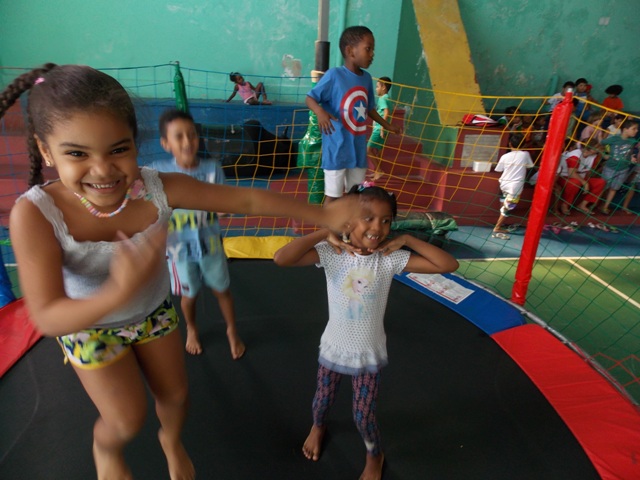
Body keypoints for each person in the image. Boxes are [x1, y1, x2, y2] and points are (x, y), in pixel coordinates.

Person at [3, 63, 363, 480]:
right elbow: (48, 317)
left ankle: (171, 441)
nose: (102, 170)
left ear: (135, 143)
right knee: (126, 419)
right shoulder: (36, 214)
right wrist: (117, 291)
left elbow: (245, 201)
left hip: (152, 313)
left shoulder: (156, 188)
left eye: (118, 149)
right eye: (77, 154)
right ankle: (106, 449)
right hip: (88, 326)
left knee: (175, 396)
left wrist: (323, 214)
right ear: (46, 150)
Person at [273, 183, 459, 480]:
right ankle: (318, 427)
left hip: (368, 352)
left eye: (386, 221)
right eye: (368, 218)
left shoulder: (388, 259)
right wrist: (325, 232)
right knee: (321, 401)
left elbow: (448, 264)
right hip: (333, 346)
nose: (377, 227)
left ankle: (375, 454)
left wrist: (407, 238)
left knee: (363, 416)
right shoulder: (333, 254)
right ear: (348, 222)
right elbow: (281, 258)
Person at [151, 109, 244, 358]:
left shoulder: (212, 169)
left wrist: (226, 210)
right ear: (166, 143)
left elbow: (224, 204)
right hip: (179, 251)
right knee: (189, 295)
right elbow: (149, 207)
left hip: (211, 246)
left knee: (222, 290)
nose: (187, 142)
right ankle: (191, 328)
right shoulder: (159, 173)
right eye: (178, 136)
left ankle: (232, 330)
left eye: (192, 135)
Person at [306, 26, 402, 204]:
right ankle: (329, 223)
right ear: (350, 51)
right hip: (337, 149)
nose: (372, 54)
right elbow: (310, 98)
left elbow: (369, 108)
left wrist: (387, 125)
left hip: (357, 150)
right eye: (368, 49)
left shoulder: (366, 79)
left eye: (373, 49)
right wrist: (320, 112)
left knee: (355, 195)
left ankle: (349, 223)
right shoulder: (334, 75)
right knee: (333, 196)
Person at [491, 133, 534, 239]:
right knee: (508, 208)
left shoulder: (505, 156)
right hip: (515, 186)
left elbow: (498, 169)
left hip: (503, 184)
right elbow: (530, 166)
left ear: (510, 144)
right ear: (524, 145)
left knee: (504, 204)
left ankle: (501, 222)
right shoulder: (525, 154)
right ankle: (498, 227)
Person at [599, 119, 640, 214]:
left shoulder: (632, 141)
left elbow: (629, 153)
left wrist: (631, 158)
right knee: (604, 187)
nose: (636, 131)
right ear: (625, 129)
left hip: (623, 169)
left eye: (637, 129)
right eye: (634, 129)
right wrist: (603, 154)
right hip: (610, 168)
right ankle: (597, 204)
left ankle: (605, 206)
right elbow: (602, 143)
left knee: (614, 188)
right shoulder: (615, 138)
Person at [556, 139, 606, 215]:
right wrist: (585, 183)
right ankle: (565, 205)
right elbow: (571, 173)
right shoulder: (575, 155)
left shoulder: (594, 156)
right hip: (564, 176)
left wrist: (586, 181)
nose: (598, 149)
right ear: (590, 149)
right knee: (575, 182)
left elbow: (588, 172)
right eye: (596, 147)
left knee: (600, 182)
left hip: (581, 177)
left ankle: (582, 205)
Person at [366, 76, 393, 180]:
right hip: (381, 129)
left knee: (368, 149)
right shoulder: (387, 98)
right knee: (378, 151)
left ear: (383, 87)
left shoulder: (382, 99)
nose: (376, 89)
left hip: (379, 130)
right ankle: (377, 171)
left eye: (377, 86)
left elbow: (386, 112)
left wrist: (382, 127)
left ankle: (379, 171)